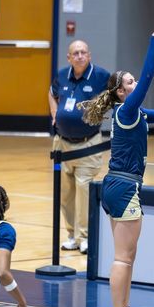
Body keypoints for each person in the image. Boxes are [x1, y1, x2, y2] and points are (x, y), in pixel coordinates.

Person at [79, 17, 154, 307]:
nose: (136, 83)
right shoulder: (126, 111)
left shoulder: (135, 113)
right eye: (130, 82)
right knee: (123, 259)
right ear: (122, 92)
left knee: (129, 256)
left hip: (119, 186)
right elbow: (149, 76)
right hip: (123, 187)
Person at [48, 40, 110, 254]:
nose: (80, 56)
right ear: (69, 58)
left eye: (84, 52)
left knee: (84, 190)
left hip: (88, 144)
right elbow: (51, 92)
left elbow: (116, 93)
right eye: (76, 53)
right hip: (62, 144)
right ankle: (72, 235)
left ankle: (85, 237)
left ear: (89, 55)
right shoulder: (63, 74)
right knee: (65, 194)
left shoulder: (100, 76)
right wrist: (55, 113)